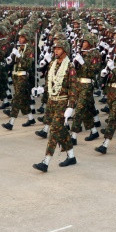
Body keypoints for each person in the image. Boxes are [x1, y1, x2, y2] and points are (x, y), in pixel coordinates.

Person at [32, 38, 78, 172]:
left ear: (65, 50)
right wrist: (41, 90)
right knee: (61, 131)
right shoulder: (52, 64)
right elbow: (49, 82)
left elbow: (73, 88)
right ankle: (71, 156)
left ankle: (45, 162)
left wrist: (70, 106)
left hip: (63, 102)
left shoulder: (70, 67)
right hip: (52, 101)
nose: (56, 51)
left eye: (58, 49)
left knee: (54, 131)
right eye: (55, 49)